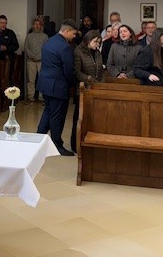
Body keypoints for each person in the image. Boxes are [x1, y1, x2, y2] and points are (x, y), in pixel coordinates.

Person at [36, 19, 78, 156]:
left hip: (45, 83)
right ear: (67, 31)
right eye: (73, 33)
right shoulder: (65, 47)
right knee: (57, 117)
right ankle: (57, 145)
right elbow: (68, 70)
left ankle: (38, 138)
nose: (74, 36)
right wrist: (73, 84)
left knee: (48, 111)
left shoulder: (49, 41)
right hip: (57, 86)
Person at [72, 30, 104, 151]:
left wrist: (100, 82)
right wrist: (90, 79)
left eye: (99, 42)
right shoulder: (78, 52)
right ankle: (75, 145)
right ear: (88, 40)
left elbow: (100, 70)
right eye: (95, 42)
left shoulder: (97, 53)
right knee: (79, 118)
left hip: (95, 89)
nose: (97, 44)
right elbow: (77, 72)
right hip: (83, 89)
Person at [24, 18, 48, 104]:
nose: (37, 26)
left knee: (42, 79)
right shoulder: (29, 36)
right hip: (31, 61)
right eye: (35, 24)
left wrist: (39, 57)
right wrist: (33, 56)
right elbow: (26, 48)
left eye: (39, 24)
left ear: (41, 26)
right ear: (33, 26)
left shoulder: (45, 36)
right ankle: (30, 97)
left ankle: (42, 98)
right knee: (31, 80)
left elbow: (46, 48)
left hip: (41, 61)